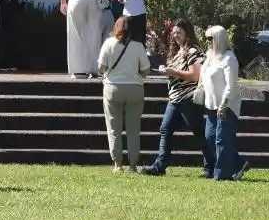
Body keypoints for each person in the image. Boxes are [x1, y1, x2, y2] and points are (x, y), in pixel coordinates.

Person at [142, 20, 214, 177]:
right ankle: (160, 166)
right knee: (165, 129)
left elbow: (195, 75)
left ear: (187, 33)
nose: (175, 35)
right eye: (174, 33)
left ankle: (211, 167)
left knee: (199, 132)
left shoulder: (193, 51)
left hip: (187, 98)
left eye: (179, 32)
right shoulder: (177, 50)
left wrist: (173, 72)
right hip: (175, 98)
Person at [97, 15, 151, 174]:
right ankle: (133, 165)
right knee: (134, 129)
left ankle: (117, 165)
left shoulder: (108, 43)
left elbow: (101, 67)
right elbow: (146, 70)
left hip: (113, 88)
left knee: (113, 128)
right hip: (135, 88)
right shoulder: (138, 46)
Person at [199, 25, 250, 182]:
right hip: (210, 104)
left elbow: (231, 84)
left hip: (226, 105)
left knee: (221, 139)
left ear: (219, 39)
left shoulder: (229, 58)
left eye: (210, 39)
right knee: (210, 136)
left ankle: (221, 175)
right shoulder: (209, 56)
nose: (207, 42)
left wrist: (224, 104)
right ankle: (239, 163)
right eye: (206, 38)